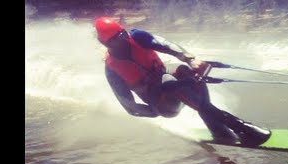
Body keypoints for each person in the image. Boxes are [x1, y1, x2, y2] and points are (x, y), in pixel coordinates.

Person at [94, 16, 271, 146]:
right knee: (169, 83)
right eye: (117, 39)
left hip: (168, 83)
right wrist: (154, 112)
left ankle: (217, 129)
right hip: (161, 103)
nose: (124, 39)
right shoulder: (111, 69)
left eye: (123, 33)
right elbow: (129, 106)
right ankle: (242, 128)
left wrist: (190, 59)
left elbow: (167, 45)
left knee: (187, 72)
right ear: (106, 44)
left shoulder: (137, 36)